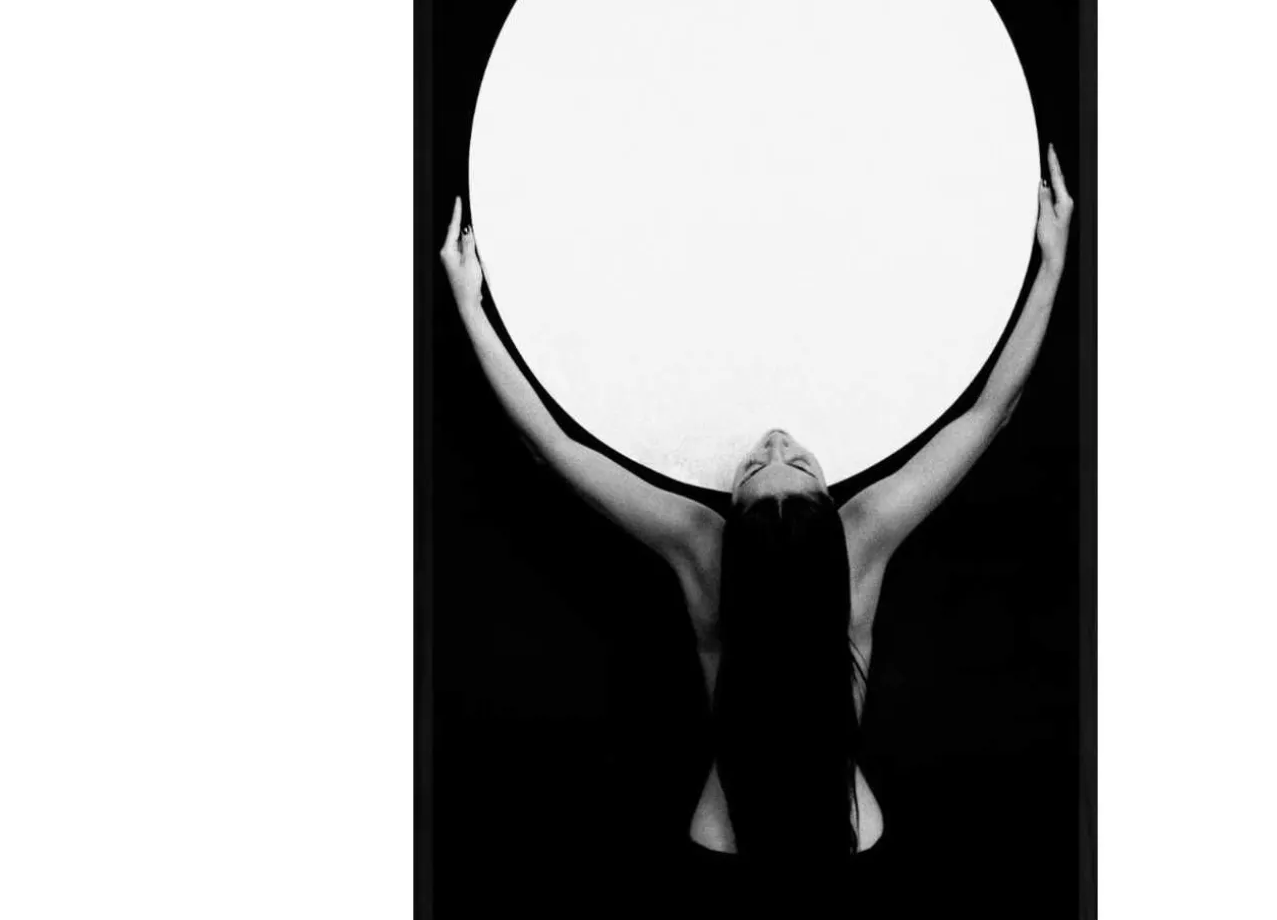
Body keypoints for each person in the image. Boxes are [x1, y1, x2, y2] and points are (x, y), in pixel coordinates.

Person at [439, 145, 1075, 884]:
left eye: (763, 463)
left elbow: (552, 447)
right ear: (828, 509)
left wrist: (472, 309)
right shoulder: (860, 540)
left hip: (725, 830)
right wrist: (1050, 266)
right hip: (846, 827)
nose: (776, 439)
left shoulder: (703, 546)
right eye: (791, 462)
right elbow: (989, 414)